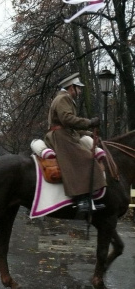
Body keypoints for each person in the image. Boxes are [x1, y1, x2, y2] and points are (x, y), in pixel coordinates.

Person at [44, 72, 105, 212]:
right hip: (60, 137)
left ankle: (88, 198)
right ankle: (81, 200)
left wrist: (89, 133)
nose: (80, 91)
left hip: (65, 133)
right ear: (72, 87)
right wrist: (89, 123)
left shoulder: (65, 99)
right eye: (79, 88)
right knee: (85, 159)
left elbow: (70, 126)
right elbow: (67, 119)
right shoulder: (63, 98)